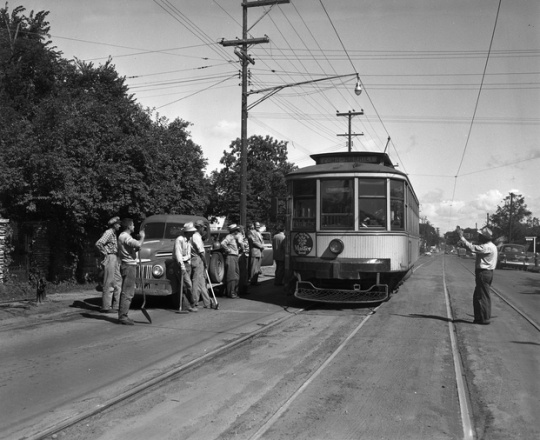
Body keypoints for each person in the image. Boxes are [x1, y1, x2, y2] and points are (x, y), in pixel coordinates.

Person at [457, 226, 498, 325]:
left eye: (480, 235)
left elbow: (473, 248)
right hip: (487, 273)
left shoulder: (487, 247)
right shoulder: (491, 246)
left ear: (485, 237)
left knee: (482, 296)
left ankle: (483, 319)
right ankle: (480, 317)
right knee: (480, 295)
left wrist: (462, 237)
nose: (479, 237)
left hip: (483, 273)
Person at [117, 218, 145, 325]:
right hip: (129, 266)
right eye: (133, 225)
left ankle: (123, 314)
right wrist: (142, 237)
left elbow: (132, 248)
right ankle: (123, 316)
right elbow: (137, 244)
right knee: (127, 291)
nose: (134, 227)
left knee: (128, 290)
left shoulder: (124, 236)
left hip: (128, 264)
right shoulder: (125, 236)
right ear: (128, 226)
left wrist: (135, 251)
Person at [95, 216, 122, 313]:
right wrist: (105, 253)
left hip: (114, 257)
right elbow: (99, 243)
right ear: (114, 225)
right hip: (110, 257)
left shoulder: (114, 234)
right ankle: (106, 306)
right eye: (118, 224)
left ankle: (116, 306)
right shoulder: (109, 232)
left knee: (118, 281)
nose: (119, 225)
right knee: (109, 282)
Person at [173, 225, 197, 312]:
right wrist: (182, 266)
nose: (193, 233)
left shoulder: (188, 240)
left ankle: (187, 305)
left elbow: (189, 252)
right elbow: (178, 253)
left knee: (185, 285)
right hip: (181, 264)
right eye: (192, 232)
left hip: (187, 263)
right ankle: (190, 304)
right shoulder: (179, 239)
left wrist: (189, 263)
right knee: (187, 284)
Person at [190, 220, 212, 308]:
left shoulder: (196, 236)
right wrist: (205, 262)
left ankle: (207, 302)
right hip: (197, 259)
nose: (204, 230)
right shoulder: (196, 237)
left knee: (202, 282)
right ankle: (194, 301)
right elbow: (201, 252)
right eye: (203, 228)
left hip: (198, 259)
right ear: (199, 228)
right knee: (196, 282)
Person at [220, 224, 243, 298]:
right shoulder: (229, 237)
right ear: (233, 231)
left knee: (236, 275)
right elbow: (223, 243)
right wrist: (228, 250)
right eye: (236, 230)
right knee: (231, 275)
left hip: (235, 256)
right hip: (230, 256)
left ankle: (234, 291)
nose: (237, 231)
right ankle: (231, 293)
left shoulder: (235, 237)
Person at [248, 221, 265, 286]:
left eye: (259, 226)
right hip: (255, 252)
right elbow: (253, 241)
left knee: (257, 268)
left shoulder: (259, 233)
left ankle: (255, 281)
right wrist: (261, 246)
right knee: (253, 267)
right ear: (254, 226)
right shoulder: (251, 232)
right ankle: (252, 281)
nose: (258, 227)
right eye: (256, 226)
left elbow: (261, 241)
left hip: (260, 252)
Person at [237, 225, 250, 295]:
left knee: (244, 273)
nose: (243, 230)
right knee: (243, 273)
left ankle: (243, 288)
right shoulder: (240, 236)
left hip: (245, 255)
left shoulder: (243, 236)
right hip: (243, 256)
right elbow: (240, 242)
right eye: (242, 229)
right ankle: (242, 289)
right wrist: (243, 249)